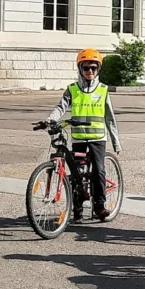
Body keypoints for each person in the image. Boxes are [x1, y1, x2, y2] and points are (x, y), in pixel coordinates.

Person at [46, 48, 122, 221]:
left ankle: (100, 206)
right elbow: (61, 107)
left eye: (94, 68)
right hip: (79, 138)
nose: (90, 71)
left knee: (98, 171)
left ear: (98, 69)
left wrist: (116, 142)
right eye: (86, 67)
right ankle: (77, 209)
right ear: (80, 69)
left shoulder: (103, 90)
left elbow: (110, 118)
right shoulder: (72, 89)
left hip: (97, 138)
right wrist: (50, 120)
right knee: (76, 174)